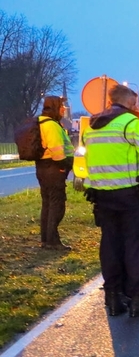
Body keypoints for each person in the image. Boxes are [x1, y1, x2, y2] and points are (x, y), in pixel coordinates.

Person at [83, 83, 139, 317]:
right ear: (129, 102)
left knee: (110, 244)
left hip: (102, 195)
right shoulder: (131, 123)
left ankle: (113, 297)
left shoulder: (92, 126)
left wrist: (91, 185)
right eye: (135, 103)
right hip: (131, 195)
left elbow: (87, 159)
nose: (136, 106)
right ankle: (137, 298)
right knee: (136, 244)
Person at [36, 95, 74, 249]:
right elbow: (57, 150)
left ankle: (46, 239)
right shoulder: (51, 125)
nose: (64, 109)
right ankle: (53, 241)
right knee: (57, 205)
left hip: (43, 167)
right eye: (61, 106)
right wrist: (64, 166)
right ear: (54, 107)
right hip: (53, 168)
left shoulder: (41, 122)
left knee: (47, 204)